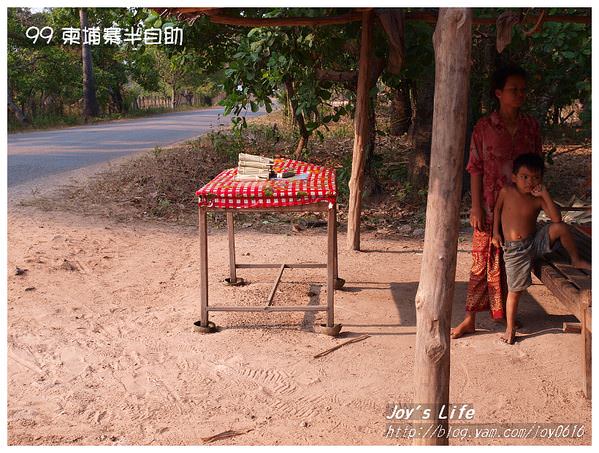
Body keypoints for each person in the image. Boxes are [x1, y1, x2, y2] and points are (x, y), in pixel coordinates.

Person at [451, 64, 543, 339]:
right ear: (498, 93)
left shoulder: (530, 127)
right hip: (490, 207)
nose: (520, 94)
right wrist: (476, 205)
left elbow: (537, 167)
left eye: (523, 90)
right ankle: (470, 319)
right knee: (480, 263)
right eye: (514, 89)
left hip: (520, 212)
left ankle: (508, 316)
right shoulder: (484, 128)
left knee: (513, 261)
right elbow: (475, 167)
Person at [492, 153, 590, 344]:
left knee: (560, 228)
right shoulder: (507, 191)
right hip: (515, 251)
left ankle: (575, 258)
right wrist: (495, 233)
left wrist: (544, 194)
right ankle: (510, 328)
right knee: (515, 290)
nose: (530, 182)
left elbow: (557, 219)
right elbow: (496, 210)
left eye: (536, 177)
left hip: (535, 243)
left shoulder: (537, 199)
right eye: (525, 177)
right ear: (514, 177)